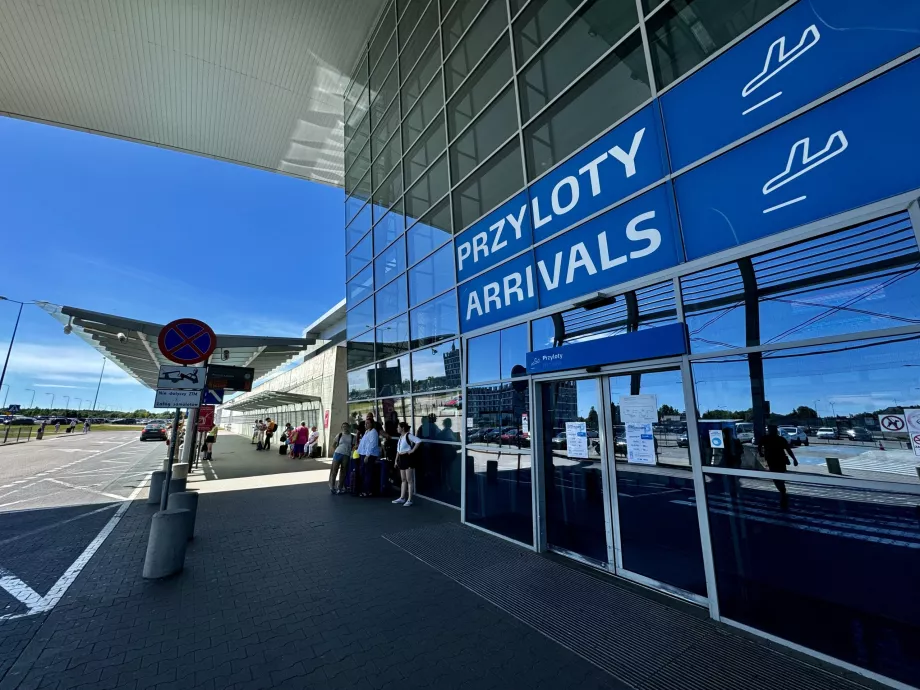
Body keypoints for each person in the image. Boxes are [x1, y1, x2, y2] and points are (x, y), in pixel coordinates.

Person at [757, 424, 798, 507]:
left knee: (776, 478)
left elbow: (759, 447)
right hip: (780, 460)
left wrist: (761, 453)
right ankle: (783, 491)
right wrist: (794, 459)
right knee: (780, 477)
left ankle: (782, 492)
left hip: (772, 461)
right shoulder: (780, 439)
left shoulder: (765, 438)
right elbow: (788, 450)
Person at [393, 422, 421, 507]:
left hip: (408, 458)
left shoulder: (408, 435)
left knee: (409, 479)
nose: (397, 429)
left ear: (403, 428)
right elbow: (398, 450)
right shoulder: (401, 437)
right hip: (401, 458)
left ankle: (410, 499)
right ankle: (402, 497)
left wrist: (412, 451)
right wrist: (396, 460)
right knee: (403, 479)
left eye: (398, 427)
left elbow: (418, 441)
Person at [356, 417, 380, 497]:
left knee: (367, 473)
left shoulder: (373, 432)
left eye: (368, 423)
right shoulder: (366, 432)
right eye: (365, 423)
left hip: (369, 455)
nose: (366, 425)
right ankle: (365, 489)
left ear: (371, 424)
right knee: (363, 472)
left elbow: (372, 445)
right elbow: (363, 443)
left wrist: (367, 455)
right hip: (363, 454)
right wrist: (359, 451)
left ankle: (367, 491)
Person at [330, 422, 354, 494]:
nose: (345, 427)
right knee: (334, 470)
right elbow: (333, 445)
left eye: (346, 426)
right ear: (341, 428)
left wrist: (352, 453)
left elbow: (353, 447)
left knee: (343, 471)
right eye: (343, 426)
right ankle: (332, 486)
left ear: (349, 427)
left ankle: (340, 487)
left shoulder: (352, 436)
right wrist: (335, 452)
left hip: (346, 455)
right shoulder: (339, 435)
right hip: (338, 453)